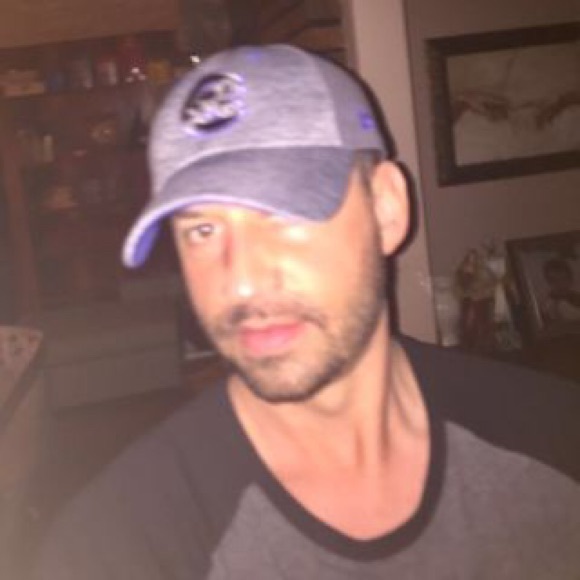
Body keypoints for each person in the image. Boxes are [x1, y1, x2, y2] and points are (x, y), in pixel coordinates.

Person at [34, 44, 580, 579]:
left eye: (284, 213)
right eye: (202, 230)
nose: (241, 281)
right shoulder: (115, 544)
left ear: (387, 209)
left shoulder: (555, 439)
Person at [540, 256, 580, 324]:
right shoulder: (545, 305)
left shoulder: (578, 298)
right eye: (554, 280)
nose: (560, 284)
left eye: (564, 279)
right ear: (548, 282)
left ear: (570, 279)